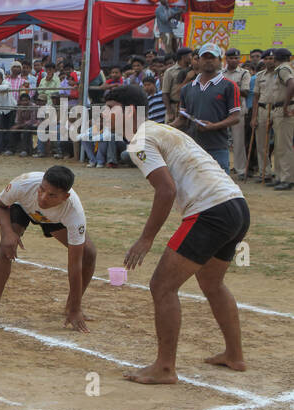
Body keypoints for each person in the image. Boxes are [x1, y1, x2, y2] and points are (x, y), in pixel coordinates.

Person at [108, 83, 250, 384]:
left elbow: (166, 189)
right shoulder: (160, 130)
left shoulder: (140, 140)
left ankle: (165, 367)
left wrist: (146, 239)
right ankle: (234, 355)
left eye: (110, 108)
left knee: (162, 285)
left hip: (211, 210)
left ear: (129, 111)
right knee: (211, 282)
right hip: (236, 205)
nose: (104, 115)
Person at [0, 166, 95, 333]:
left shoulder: (74, 212)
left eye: (52, 195)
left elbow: (75, 263)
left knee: (89, 253)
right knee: (6, 248)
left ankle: (71, 308)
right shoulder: (24, 184)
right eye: (42, 189)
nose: (43, 197)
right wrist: (7, 233)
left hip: (53, 219)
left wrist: (77, 309)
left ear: (65, 197)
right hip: (23, 209)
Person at [174, 43, 241, 172]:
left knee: (220, 187)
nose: (208, 60)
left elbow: (235, 117)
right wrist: (165, 126)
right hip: (193, 147)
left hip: (217, 146)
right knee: (195, 186)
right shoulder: (188, 88)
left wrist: (214, 126)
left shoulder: (229, 86)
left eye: (212, 57)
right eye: (205, 57)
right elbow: (182, 119)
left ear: (219, 61)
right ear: (198, 60)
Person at [251, 51, 279, 185]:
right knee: (262, 143)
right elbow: (255, 97)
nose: (269, 61)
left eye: (272, 58)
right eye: (267, 58)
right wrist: (254, 117)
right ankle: (265, 172)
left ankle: (281, 175)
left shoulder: (282, 74)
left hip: (278, 109)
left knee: (280, 144)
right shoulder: (259, 76)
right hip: (262, 109)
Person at [272, 46, 294, 191]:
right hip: (279, 109)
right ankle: (280, 176)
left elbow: (292, 84)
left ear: (276, 58)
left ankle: (287, 179)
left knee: (284, 146)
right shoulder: (284, 68)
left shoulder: (283, 69)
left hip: (284, 109)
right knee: (279, 145)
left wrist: (286, 106)